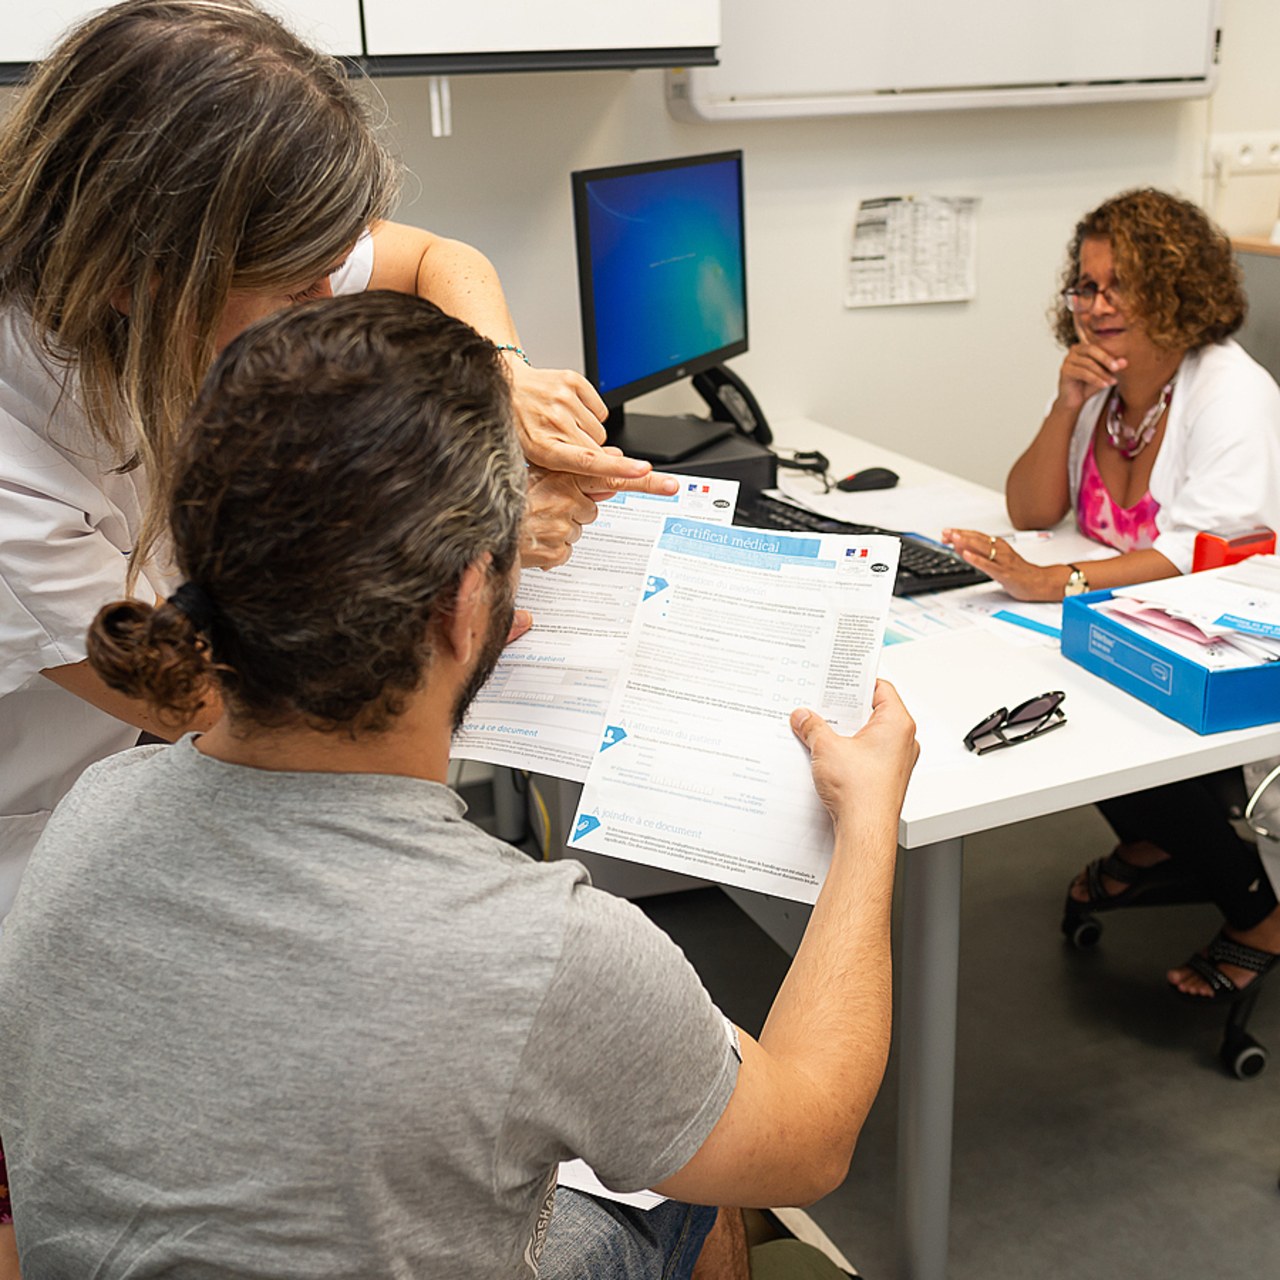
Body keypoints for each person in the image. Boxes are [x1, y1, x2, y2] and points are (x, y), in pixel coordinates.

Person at [0, 291, 918, 1276]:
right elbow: (808, 1136)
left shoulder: (94, 810)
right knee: (683, 1187)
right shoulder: (549, 951)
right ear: (467, 600)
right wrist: (866, 820)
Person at [0, 0, 676, 918]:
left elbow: (439, 258)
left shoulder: (169, 262)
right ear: (143, 281)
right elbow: (207, 701)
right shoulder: (17, 474)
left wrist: (501, 377)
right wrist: (470, 540)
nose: (328, 295)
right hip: (41, 852)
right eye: (295, 288)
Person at [943, 189, 1280, 1000]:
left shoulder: (1231, 393)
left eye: (1120, 286)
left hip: (1230, 622)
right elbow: (1031, 510)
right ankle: (1156, 842)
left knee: (1109, 700)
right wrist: (1066, 407)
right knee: (1033, 682)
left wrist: (1054, 582)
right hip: (1137, 611)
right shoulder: (1103, 382)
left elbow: (1203, 556)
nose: (1096, 307)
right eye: (1087, 286)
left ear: (1177, 290)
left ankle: (1260, 914)